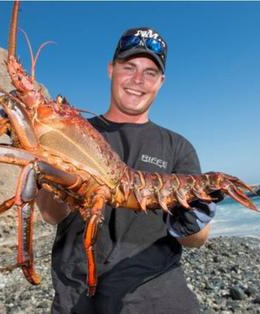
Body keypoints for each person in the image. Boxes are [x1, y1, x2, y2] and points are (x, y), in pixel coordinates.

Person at [37, 27, 217, 313]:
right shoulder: (73, 131)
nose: (138, 80)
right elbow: (49, 214)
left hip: (157, 299)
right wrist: (46, 155)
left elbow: (197, 240)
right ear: (111, 69)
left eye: (150, 72)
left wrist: (191, 221)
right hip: (78, 299)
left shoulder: (178, 147)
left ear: (160, 82)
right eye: (129, 66)